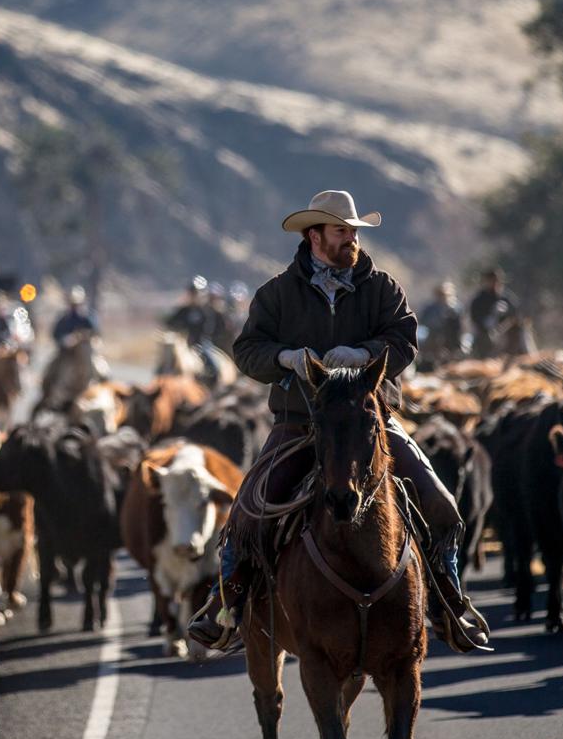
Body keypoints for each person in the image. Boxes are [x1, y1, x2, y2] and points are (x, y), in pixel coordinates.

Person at [186, 189, 490, 655]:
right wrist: (284, 358)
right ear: (315, 236)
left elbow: (405, 339)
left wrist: (366, 353)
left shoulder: (382, 287)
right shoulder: (277, 293)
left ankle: (452, 603)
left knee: (441, 504)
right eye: (341, 231)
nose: (351, 239)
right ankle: (225, 606)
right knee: (247, 510)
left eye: (353, 231)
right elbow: (247, 351)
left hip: (370, 422)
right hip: (298, 423)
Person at [468, 268, 518, 358]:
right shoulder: (479, 300)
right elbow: (475, 319)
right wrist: (489, 323)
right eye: (492, 281)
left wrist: (504, 325)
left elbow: (515, 315)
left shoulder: (505, 298)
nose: (495, 284)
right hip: (486, 334)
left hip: (505, 333)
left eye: (497, 281)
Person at [420, 281, 465, 368]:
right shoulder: (431, 308)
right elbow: (424, 321)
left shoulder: (456, 308)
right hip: (434, 338)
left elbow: (459, 326)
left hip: (452, 340)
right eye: (441, 294)